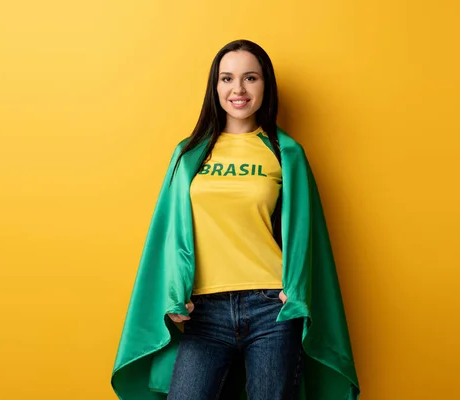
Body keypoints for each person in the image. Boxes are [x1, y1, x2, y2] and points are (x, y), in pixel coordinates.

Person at [111, 39, 360, 400]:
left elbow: (306, 235)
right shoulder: (189, 153)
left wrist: (296, 291)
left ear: (265, 86)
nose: (238, 89)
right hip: (204, 313)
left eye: (250, 78)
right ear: (215, 88)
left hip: (271, 310)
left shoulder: (284, 153)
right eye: (227, 78)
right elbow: (167, 234)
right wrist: (173, 295)